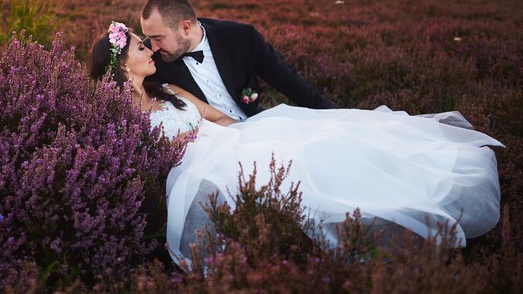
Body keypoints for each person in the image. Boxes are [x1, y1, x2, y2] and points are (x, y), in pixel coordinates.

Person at [89, 21, 504, 269]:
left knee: (317, 140)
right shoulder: (121, 113)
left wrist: (251, 130)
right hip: (197, 162)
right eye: (140, 47)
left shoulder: (167, 86)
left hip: (229, 139)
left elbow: (212, 114)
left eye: (148, 42)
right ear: (124, 64)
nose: (149, 49)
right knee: (294, 176)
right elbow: (143, 156)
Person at [140, 0, 333, 120]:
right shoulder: (151, 58)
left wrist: (332, 116)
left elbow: (288, 80)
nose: (153, 47)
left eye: (158, 38)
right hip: (212, 145)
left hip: (256, 123)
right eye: (149, 38)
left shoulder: (240, 38)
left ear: (185, 27)